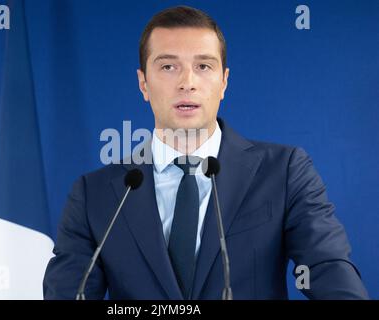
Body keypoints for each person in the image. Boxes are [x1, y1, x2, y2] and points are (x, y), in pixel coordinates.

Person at [43, 5, 369, 299]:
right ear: (143, 83)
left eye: (203, 66)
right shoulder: (95, 195)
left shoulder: (283, 172)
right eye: (168, 66)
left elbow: (330, 274)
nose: (187, 82)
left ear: (224, 82)